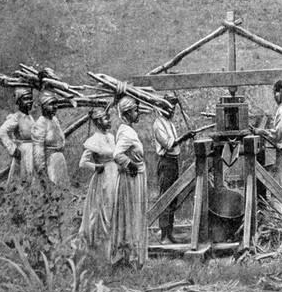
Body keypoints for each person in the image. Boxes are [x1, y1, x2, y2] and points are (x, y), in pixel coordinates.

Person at [152, 95, 195, 244]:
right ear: (163, 108)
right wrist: (185, 137)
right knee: (166, 197)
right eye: (170, 108)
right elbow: (169, 144)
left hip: (174, 162)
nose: (173, 111)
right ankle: (164, 235)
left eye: (174, 108)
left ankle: (169, 233)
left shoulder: (168, 123)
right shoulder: (158, 124)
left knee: (173, 198)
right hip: (166, 163)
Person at [251, 80, 282, 213]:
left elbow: (278, 134)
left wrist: (261, 132)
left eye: (275, 93)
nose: (274, 97)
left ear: (280, 92)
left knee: (275, 193)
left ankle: (279, 223)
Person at [78, 109, 119, 262]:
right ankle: (98, 250)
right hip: (103, 179)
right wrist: (96, 167)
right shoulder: (94, 140)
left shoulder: (111, 136)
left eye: (108, 118)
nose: (108, 121)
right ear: (97, 122)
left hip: (115, 175)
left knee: (114, 210)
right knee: (102, 212)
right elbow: (83, 163)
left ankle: (114, 251)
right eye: (104, 119)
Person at [112, 96, 148, 269]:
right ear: (126, 113)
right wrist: (130, 164)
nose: (138, 112)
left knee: (135, 214)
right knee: (132, 215)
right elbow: (117, 154)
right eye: (135, 110)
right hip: (131, 179)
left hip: (136, 178)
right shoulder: (126, 132)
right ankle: (130, 257)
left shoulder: (128, 130)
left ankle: (133, 256)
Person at [0, 87, 35, 190]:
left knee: (33, 181)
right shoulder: (16, 117)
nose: (29, 102)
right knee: (22, 182)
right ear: (18, 101)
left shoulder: (30, 117)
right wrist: (13, 149)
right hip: (24, 153)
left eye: (30, 98)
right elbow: (1, 132)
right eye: (26, 99)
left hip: (33, 152)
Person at [32, 91, 70, 188]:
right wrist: (43, 173)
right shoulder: (40, 124)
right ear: (44, 106)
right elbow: (38, 151)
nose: (55, 107)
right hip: (49, 164)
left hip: (59, 162)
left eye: (56, 104)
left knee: (63, 191)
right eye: (51, 104)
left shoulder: (54, 120)